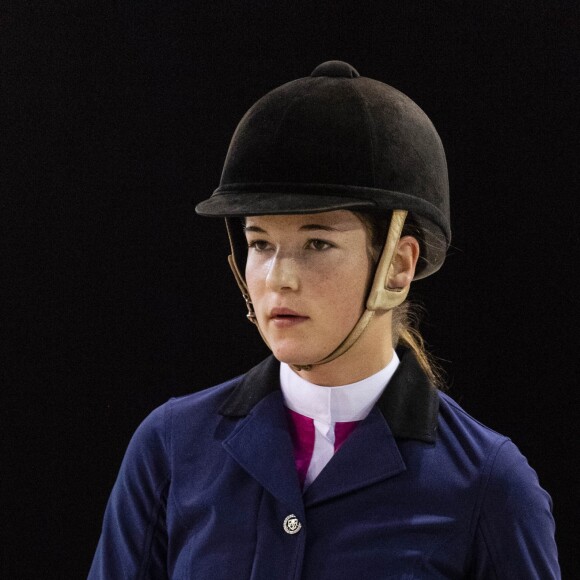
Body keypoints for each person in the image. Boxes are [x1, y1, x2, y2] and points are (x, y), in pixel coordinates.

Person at [89, 61, 560, 579]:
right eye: (260, 243)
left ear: (398, 266)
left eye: (318, 243)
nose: (277, 277)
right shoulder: (169, 447)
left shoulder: (490, 485)